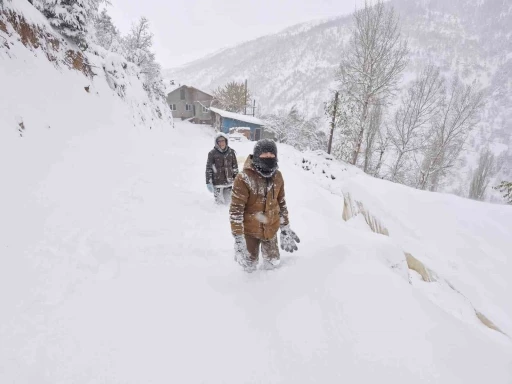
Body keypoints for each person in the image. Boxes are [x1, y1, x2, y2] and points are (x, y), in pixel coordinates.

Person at [229, 139, 300, 272]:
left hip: (271, 229)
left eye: (271, 155)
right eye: (264, 154)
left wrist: (285, 227)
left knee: (273, 265)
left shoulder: (278, 176)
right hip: (249, 231)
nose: (268, 157)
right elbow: (236, 211)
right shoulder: (244, 178)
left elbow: (281, 203)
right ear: (256, 155)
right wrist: (238, 238)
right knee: (248, 266)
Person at [205, 132, 239, 205]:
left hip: (229, 182)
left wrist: (237, 180)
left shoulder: (231, 152)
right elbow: (209, 169)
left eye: (223, 140)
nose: (221, 143)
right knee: (219, 205)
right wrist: (208, 182)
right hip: (217, 183)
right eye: (219, 141)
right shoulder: (212, 153)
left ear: (226, 141)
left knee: (228, 204)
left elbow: (235, 167)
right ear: (216, 142)